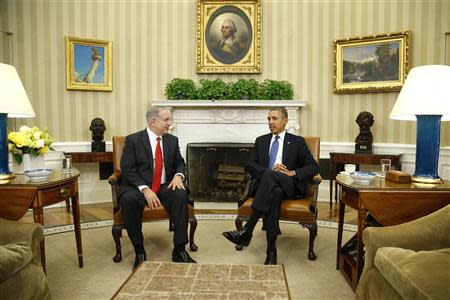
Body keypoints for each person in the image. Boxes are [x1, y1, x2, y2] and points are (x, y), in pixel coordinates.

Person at [222, 107, 319, 265]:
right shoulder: (261, 141)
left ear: (285, 120)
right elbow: (250, 164)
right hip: (270, 188)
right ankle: (271, 251)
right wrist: (269, 172)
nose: (270, 122)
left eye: (274, 118)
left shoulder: (297, 142)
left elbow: (313, 167)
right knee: (275, 192)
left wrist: (291, 173)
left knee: (274, 181)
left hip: (290, 185)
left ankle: (248, 229)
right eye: (268, 119)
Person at [119, 106, 196, 270]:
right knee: (128, 199)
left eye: (170, 119)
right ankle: (139, 250)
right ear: (153, 121)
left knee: (181, 194)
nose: (170, 123)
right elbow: (127, 169)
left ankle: (179, 250)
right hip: (139, 187)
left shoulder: (171, 140)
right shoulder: (133, 140)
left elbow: (180, 163)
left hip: (163, 186)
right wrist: (145, 189)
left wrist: (178, 176)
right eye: (167, 120)